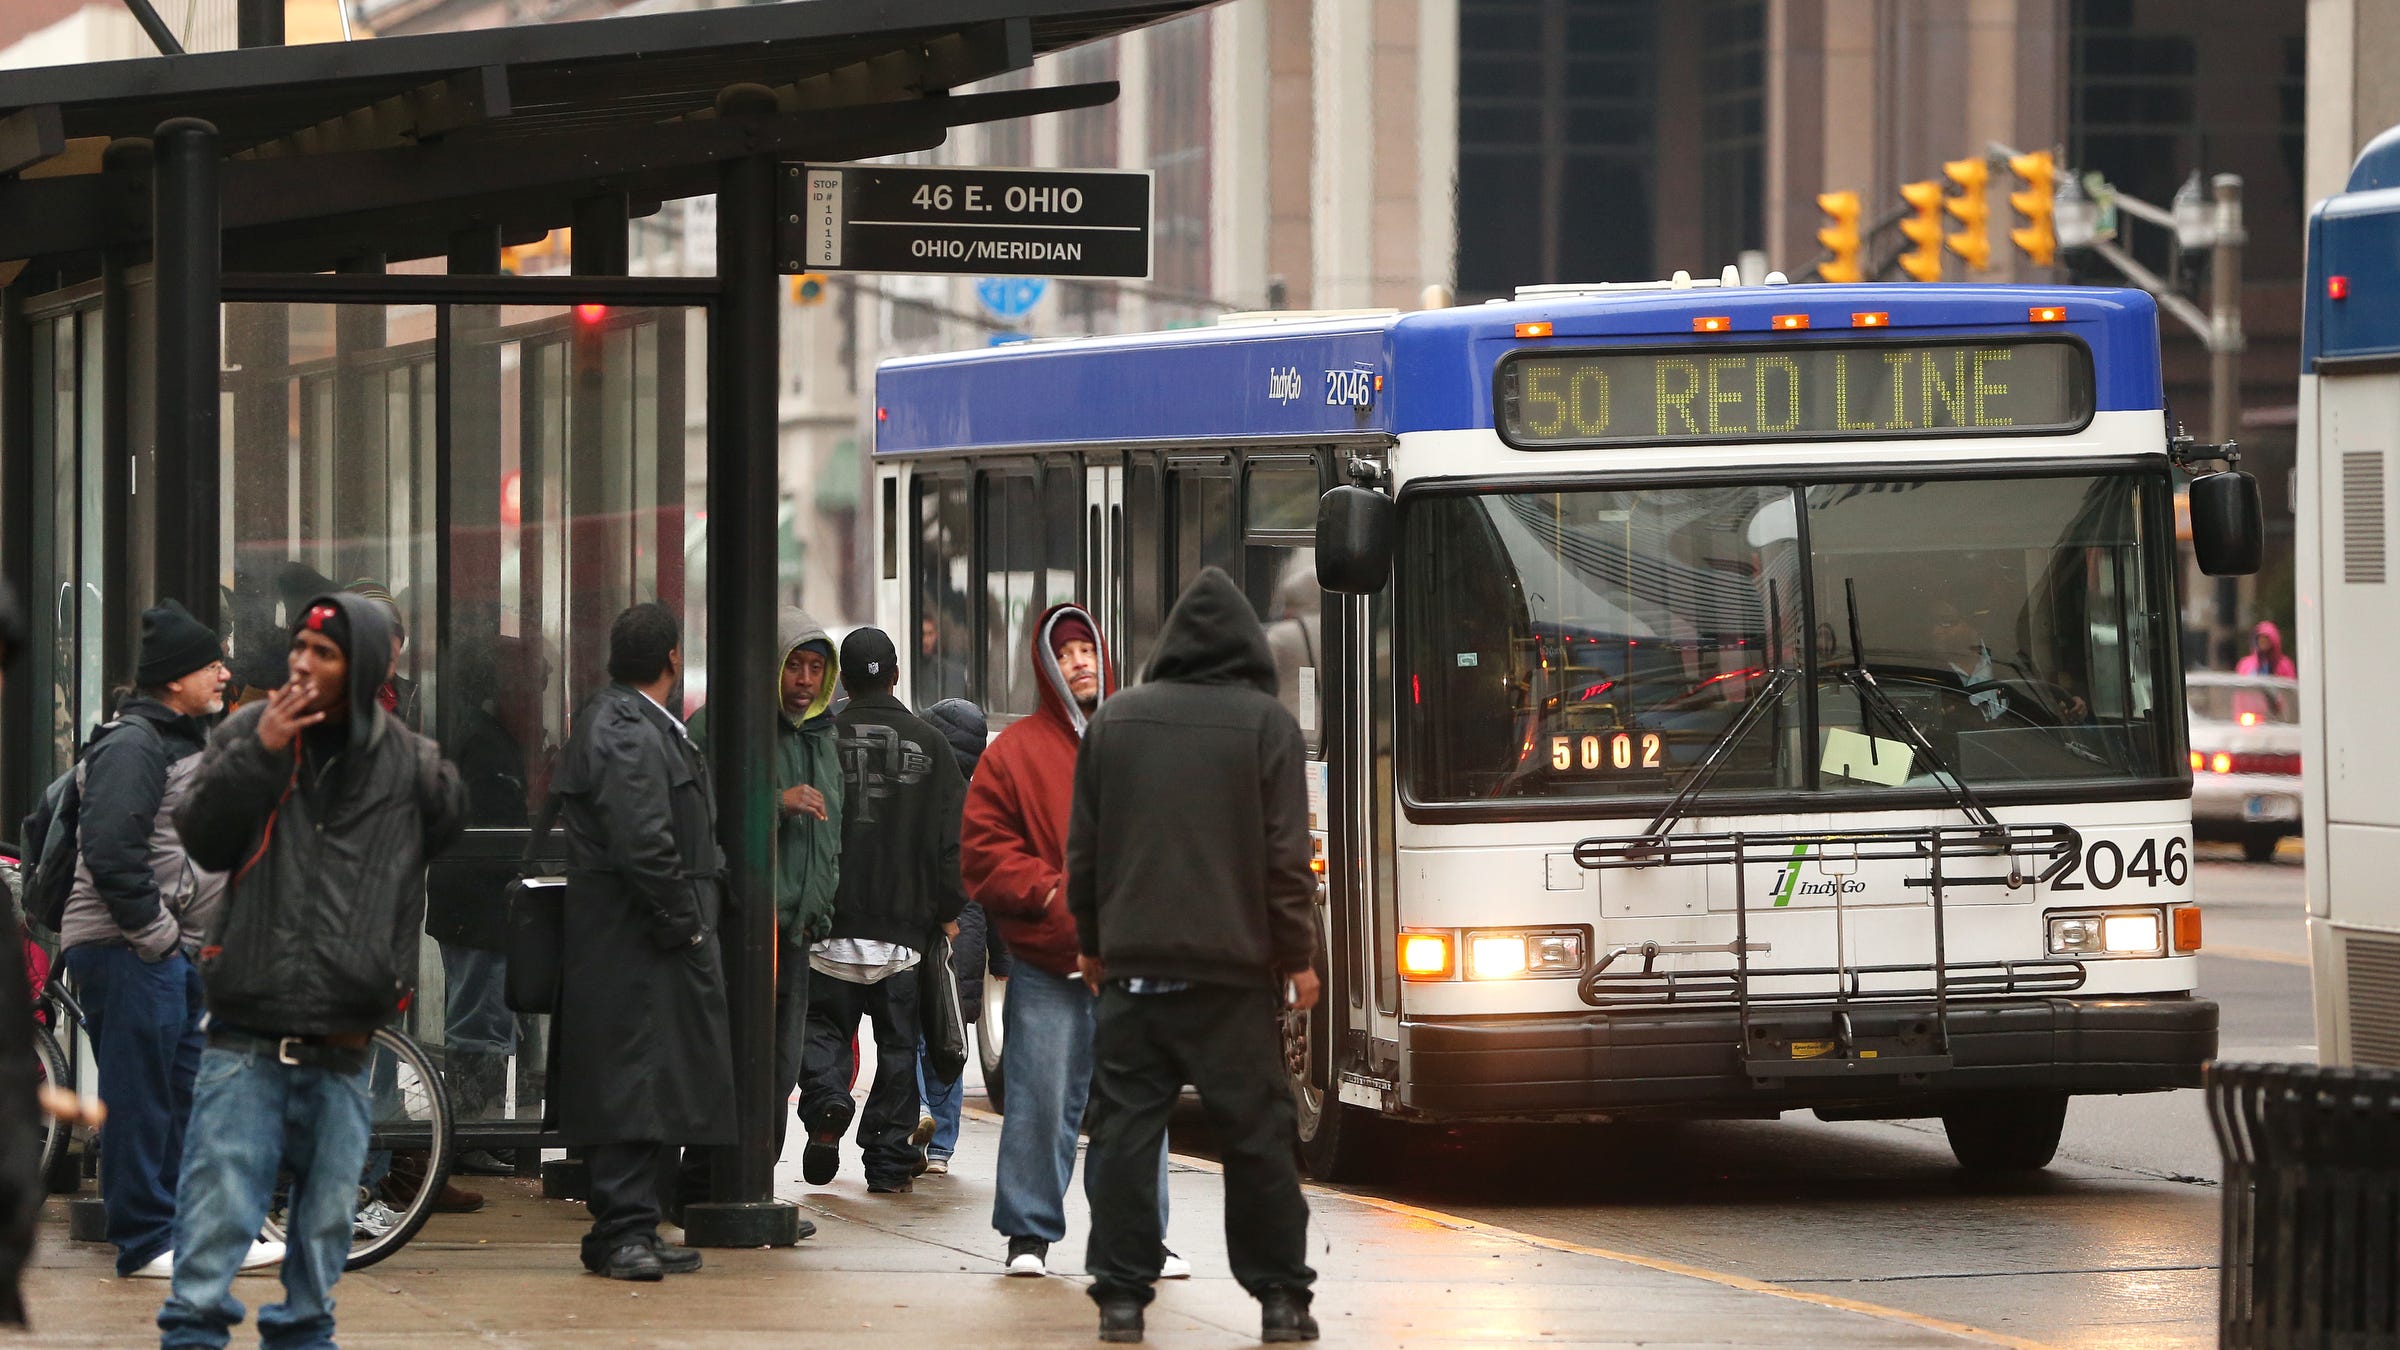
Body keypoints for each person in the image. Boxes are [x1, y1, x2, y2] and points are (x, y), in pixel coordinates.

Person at [161, 592, 465, 1348]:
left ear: (362, 666)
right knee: (212, 1241)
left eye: (323, 653)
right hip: (245, 1039)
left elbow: (439, 834)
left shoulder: (413, 767)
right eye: (299, 646)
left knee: (319, 1257)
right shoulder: (246, 735)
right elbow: (203, 836)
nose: (302, 662)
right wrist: (260, 751)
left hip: (344, 1045)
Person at [1069, 568, 1320, 1345]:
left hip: (1136, 973)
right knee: (1258, 1139)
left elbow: (1086, 853)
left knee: (1124, 1135)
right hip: (1232, 977)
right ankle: (1280, 1299)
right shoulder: (1267, 726)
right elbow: (1285, 859)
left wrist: (1092, 942)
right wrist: (1297, 955)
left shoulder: (1115, 721)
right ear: (1249, 648)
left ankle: (1119, 1298)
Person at [964, 605, 1183, 1281]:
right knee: (1037, 1105)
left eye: (1087, 648)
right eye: (1066, 654)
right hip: (1046, 966)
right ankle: (1028, 1238)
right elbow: (981, 853)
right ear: (1047, 667)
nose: (1080, 661)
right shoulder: (1012, 754)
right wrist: (1049, 892)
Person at [59, 603, 274, 1279]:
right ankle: (147, 1238)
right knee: (142, 1097)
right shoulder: (133, 745)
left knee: (184, 1095)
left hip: (164, 950)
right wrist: (156, 936)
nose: (224, 673)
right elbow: (113, 851)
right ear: (175, 677)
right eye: (212, 664)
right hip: (130, 948)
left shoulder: (182, 738)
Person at [547, 603, 736, 1281]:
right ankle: (623, 1228)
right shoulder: (626, 727)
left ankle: (631, 1228)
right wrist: (684, 921)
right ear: (673, 659)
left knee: (653, 1079)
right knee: (635, 1078)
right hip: (638, 940)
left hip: (642, 936)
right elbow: (643, 838)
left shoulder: (636, 722)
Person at [797, 627, 967, 1195]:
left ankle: (826, 1102)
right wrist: (946, 911)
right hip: (903, 933)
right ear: (897, 674)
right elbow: (954, 845)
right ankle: (890, 1163)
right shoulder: (933, 746)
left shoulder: (818, 738)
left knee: (821, 1028)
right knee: (897, 1048)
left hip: (828, 924)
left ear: (841, 678)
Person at [689, 608, 843, 1186]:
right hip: (743, 928)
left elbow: (833, 832)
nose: (804, 680)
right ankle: (709, 1179)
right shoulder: (725, 725)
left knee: (779, 1069)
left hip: (797, 932)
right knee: (733, 1063)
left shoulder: (822, 738)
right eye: (794, 667)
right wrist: (776, 802)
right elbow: (704, 811)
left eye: (814, 669)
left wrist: (822, 904)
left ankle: (756, 1180)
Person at [914, 697, 988, 1176]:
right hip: (970, 942)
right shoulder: (983, 809)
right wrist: (1001, 958)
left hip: (933, 933)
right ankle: (942, 1146)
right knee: (952, 1043)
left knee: (920, 1034)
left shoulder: (927, 800)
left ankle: (920, 1112)